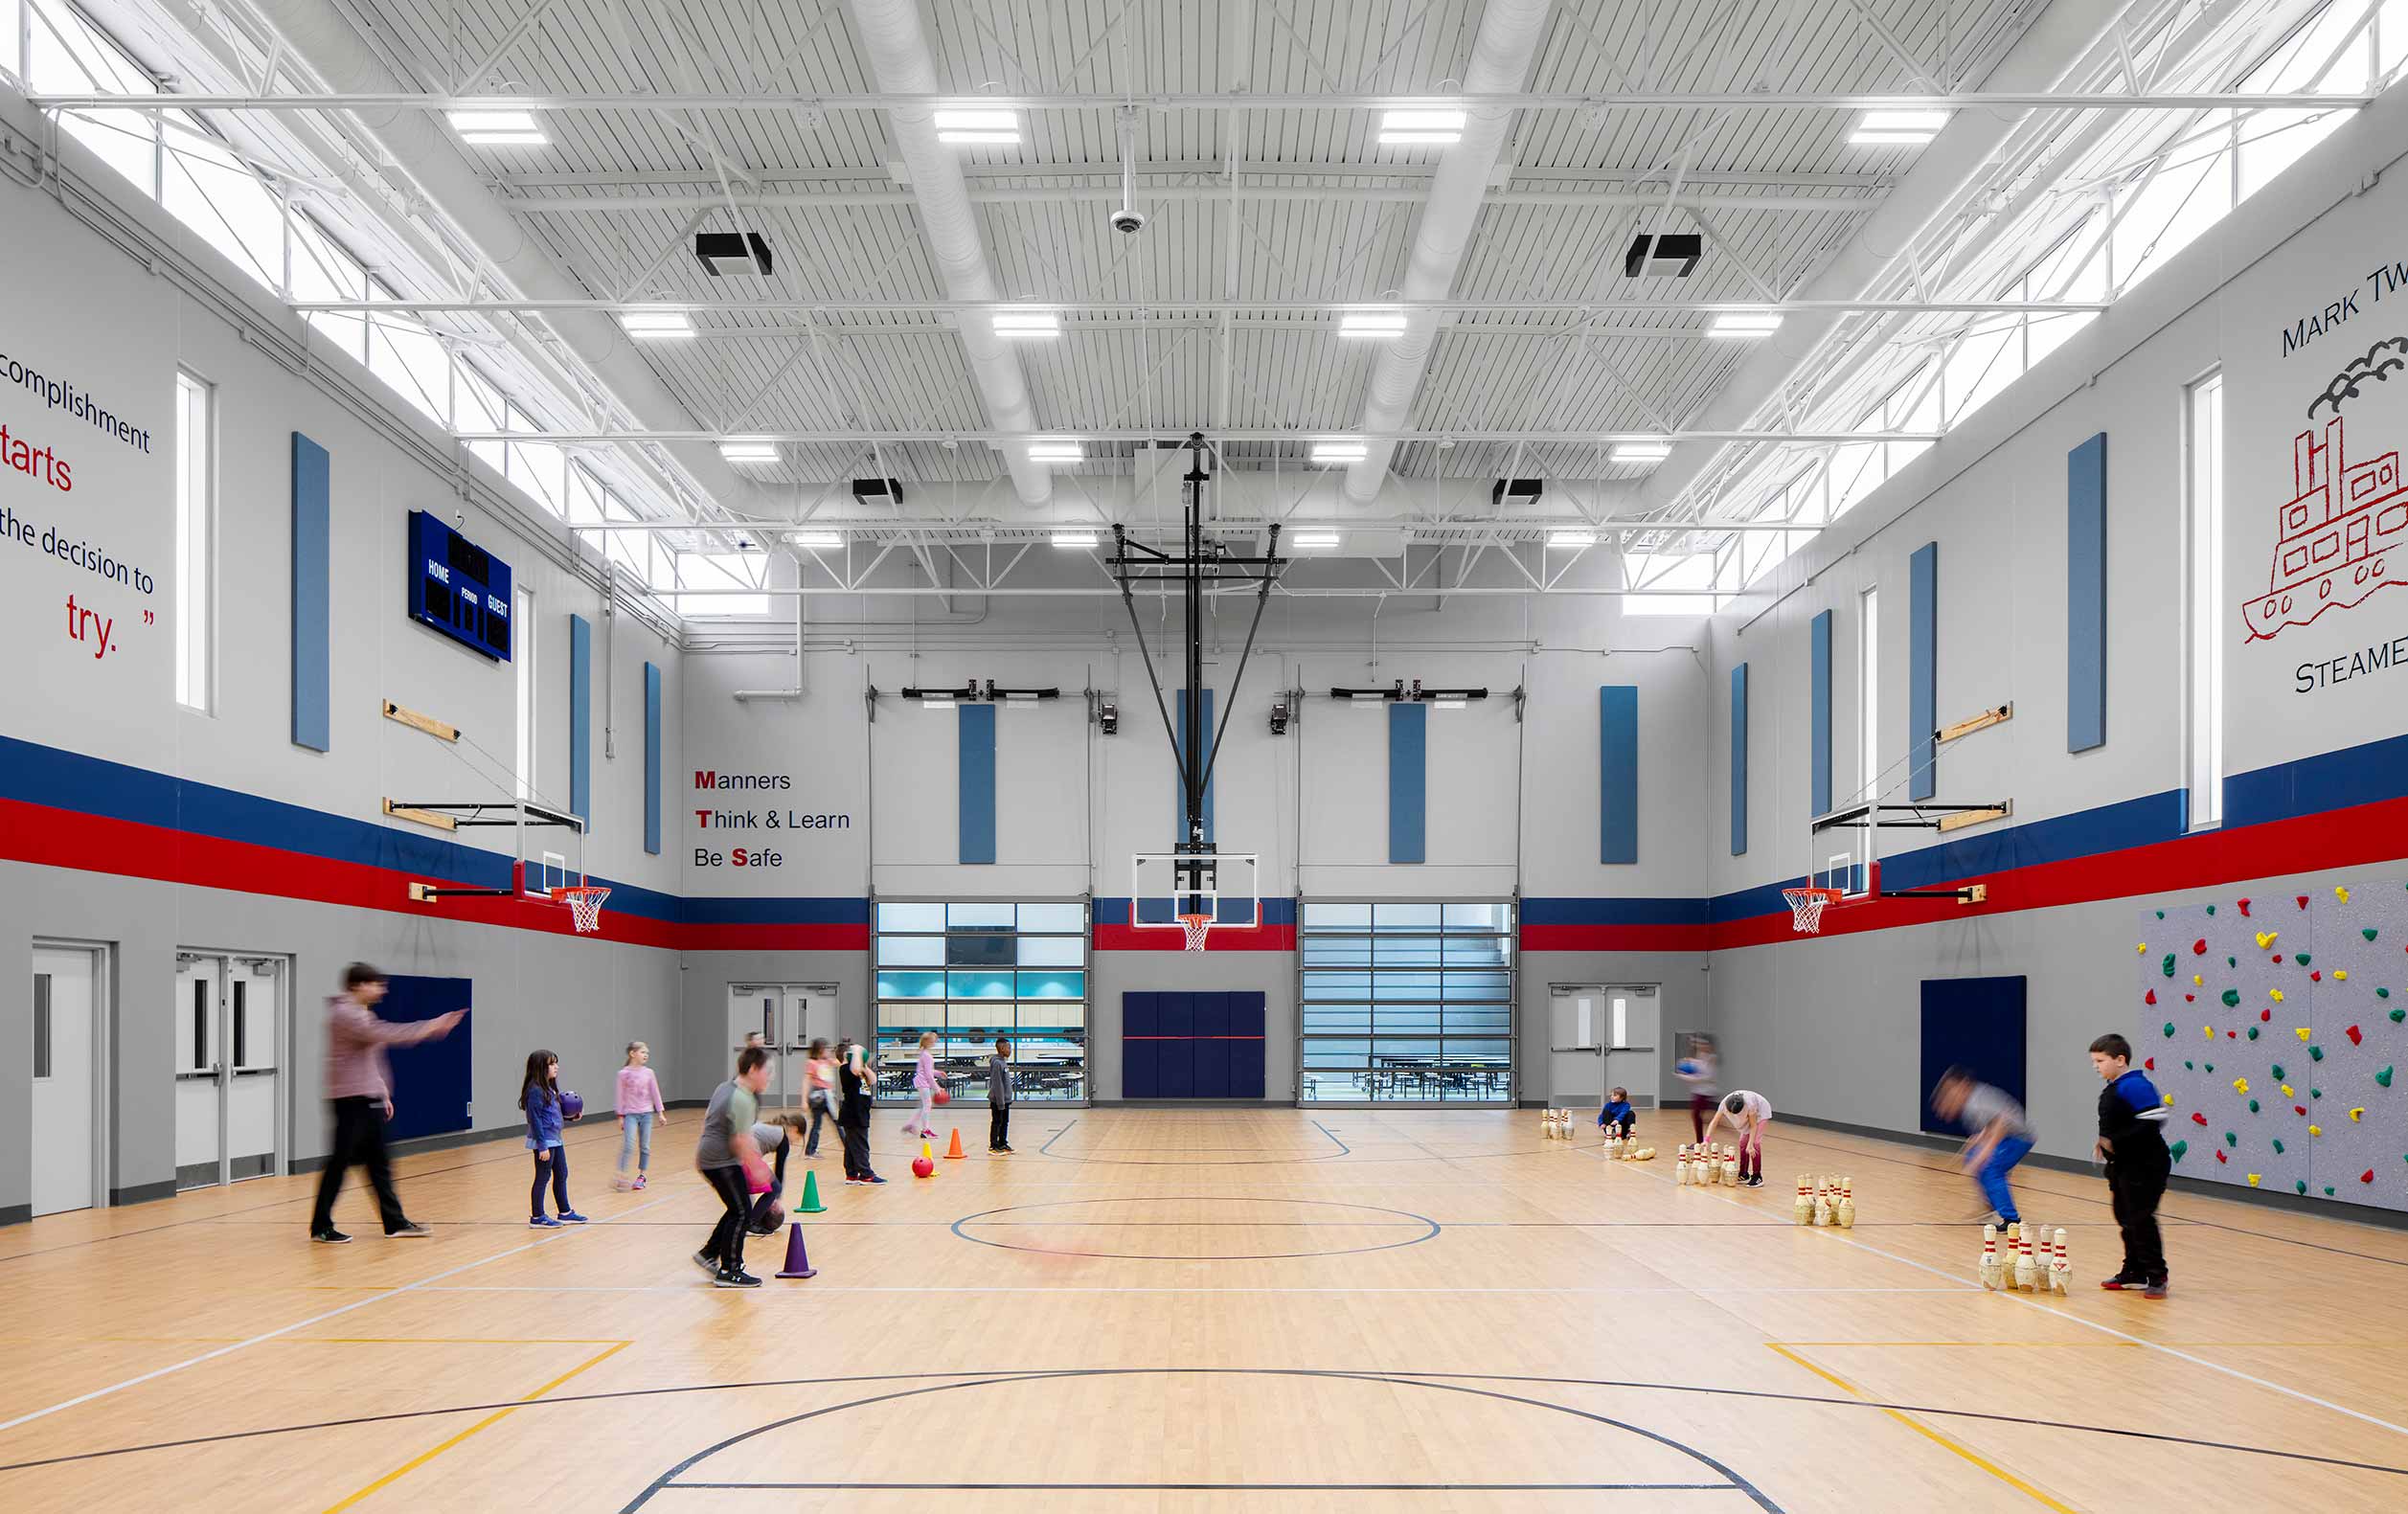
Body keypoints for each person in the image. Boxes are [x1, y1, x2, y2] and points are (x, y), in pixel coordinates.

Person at [308, 963, 464, 1243]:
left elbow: (371, 1058)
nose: (383, 989)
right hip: (351, 1102)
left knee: (379, 1164)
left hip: (368, 1100)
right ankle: (321, 1226)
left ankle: (394, 1222)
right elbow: (388, 1034)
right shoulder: (345, 1015)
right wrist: (430, 1026)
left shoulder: (360, 1014)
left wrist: (381, 1092)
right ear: (358, 985)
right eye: (377, 984)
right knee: (340, 1164)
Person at [2090, 1032, 2171, 1297]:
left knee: (2140, 1218)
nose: (2096, 1066)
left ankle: (2157, 1274)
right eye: (2094, 1061)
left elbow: (2153, 1121)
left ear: (2120, 1059)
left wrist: (2115, 1140)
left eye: (2101, 1060)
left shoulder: (2135, 1085)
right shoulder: (2114, 1087)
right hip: (2124, 1165)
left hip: (2146, 1164)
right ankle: (2134, 1272)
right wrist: (2104, 1142)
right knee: (2125, 1217)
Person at [694, 1046, 774, 1288]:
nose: (769, 1077)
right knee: (742, 1212)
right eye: (767, 1072)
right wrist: (758, 1169)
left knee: (735, 1208)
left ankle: (709, 1253)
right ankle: (731, 1270)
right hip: (721, 1161)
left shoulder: (725, 1087)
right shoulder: (742, 1098)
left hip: (709, 1157)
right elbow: (740, 1140)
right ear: (752, 1070)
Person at [1932, 1066, 2033, 1226]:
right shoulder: (1971, 1102)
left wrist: (1985, 1152)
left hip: (2018, 1138)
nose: (1949, 1096)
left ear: (1964, 1084)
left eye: (1951, 1090)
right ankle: (1991, 1207)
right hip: (2006, 1137)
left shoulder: (1978, 1100)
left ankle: (2011, 1219)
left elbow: (2002, 1123)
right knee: (1975, 1158)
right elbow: (1990, 1125)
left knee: (1990, 1167)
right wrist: (1977, 1140)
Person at [520, 1050, 587, 1227]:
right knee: (543, 1177)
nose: (556, 1067)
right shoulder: (535, 1091)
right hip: (545, 1141)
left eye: (556, 1063)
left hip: (555, 1139)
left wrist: (570, 1118)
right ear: (540, 1067)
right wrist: (542, 1146)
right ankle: (537, 1216)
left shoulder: (548, 1088)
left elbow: (550, 1115)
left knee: (562, 1173)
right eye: (551, 1064)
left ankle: (564, 1212)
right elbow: (534, 1120)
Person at [615, 1040, 668, 1190]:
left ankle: (642, 1176)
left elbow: (655, 1093)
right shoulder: (623, 1074)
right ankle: (622, 1175)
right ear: (632, 1053)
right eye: (643, 1052)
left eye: (647, 1053)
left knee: (644, 1146)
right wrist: (620, 1116)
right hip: (630, 1114)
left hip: (646, 1114)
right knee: (629, 1145)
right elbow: (620, 1096)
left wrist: (661, 1113)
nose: (646, 1055)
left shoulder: (649, 1073)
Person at [1699, 1089, 1772, 1187]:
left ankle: (1757, 1176)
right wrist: (1706, 1140)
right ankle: (1743, 1174)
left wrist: (1750, 1144)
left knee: (1755, 1144)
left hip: (1761, 1112)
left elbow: (1753, 1125)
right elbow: (1714, 1121)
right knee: (1742, 1142)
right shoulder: (1723, 1104)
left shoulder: (1750, 1105)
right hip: (1749, 1116)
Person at [837, 1037, 885, 1186]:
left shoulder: (859, 1072)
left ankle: (851, 1174)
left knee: (852, 1146)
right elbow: (854, 1068)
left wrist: (864, 1065)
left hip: (860, 1114)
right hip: (853, 1114)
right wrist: (856, 1051)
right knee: (860, 1145)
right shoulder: (846, 1070)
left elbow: (873, 1080)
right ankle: (866, 1174)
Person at [1675, 1033, 1720, 1142]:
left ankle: (1700, 1142)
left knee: (1697, 1115)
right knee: (1697, 1116)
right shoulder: (1700, 1056)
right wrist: (1687, 1063)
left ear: (1709, 1045)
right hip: (1697, 1092)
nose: (1699, 1046)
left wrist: (1686, 1076)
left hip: (1707, 1092)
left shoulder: (1712, 1058)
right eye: (1698, 1043)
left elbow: (1707, 1077)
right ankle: (1700, 1141)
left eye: (1702, 1043)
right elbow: (1696, 1066)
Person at [802, 1038, 836, 1158]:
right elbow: (806, 1081)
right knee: (818, 1124)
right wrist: (804, 1100)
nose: (829, 1051)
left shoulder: (828, 1061)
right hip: (818, 1096)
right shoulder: (812, 1063)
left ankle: (811, 1150)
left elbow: (841, 1062)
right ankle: (810, 1151)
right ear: (821, 1050)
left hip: (828, 1095)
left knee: (837, 1122)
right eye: (826, 1049)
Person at [903, 1030, 940, 1140]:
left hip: (921, 1082)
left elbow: (926, 1071)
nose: (935, 1043)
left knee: (923, 1107)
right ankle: (925, 1130)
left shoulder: (924, 1053)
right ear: (928, 1042)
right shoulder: (927, 1055)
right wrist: (936, 1087)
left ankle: (911, 1125)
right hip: (923, 1083)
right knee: (927, 1106)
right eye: (933, 1041)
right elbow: (928, 1074)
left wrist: (938, 1073)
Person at [988, 1036, 1015, 1153]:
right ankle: (994, 1145)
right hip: (998, 1100)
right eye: (1009, 1048)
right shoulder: (997, 1063)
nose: (1011, 1050)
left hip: (1006, 1100)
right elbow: (997, 1084)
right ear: (1002, 1048)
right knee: (997, 1122)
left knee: (1005, 1122)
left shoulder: (1003, 1062)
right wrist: (1000, 1102)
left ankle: (1003, 1143)